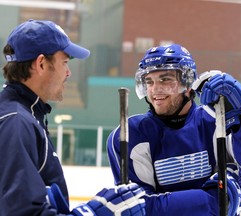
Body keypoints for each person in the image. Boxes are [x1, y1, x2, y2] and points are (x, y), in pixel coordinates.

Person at [107, 44, 241, 215]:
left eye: (165, 80)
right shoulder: (132, 134)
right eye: (149, 81)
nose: (155, 89)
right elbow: (139, 210)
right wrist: (214, 201)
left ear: (188, 83)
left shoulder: (218, 121)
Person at [0, 19, 146, 215]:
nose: (68, 72)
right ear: (41, 64)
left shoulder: (23, 115)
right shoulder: (16, 122)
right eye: (65, 62)